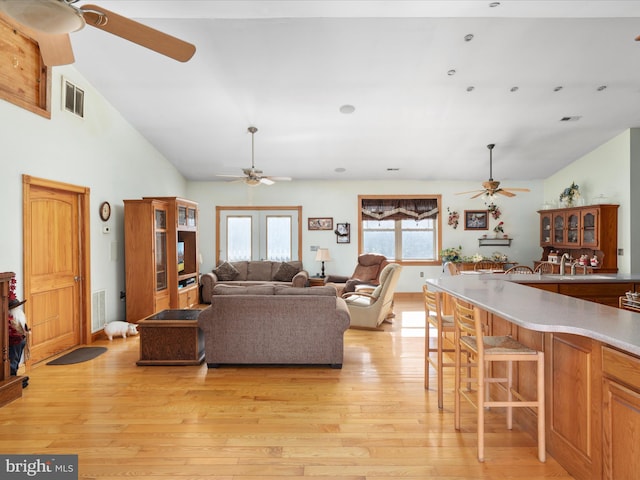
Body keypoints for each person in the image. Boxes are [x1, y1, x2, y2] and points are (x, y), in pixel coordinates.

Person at [8, 277, 29, 388]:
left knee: (14, 360)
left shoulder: (16, 316)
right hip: (14, 342)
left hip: (18, 341)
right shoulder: (11, 318)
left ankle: (13, 376)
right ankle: (12, 378)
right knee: (13, 360)